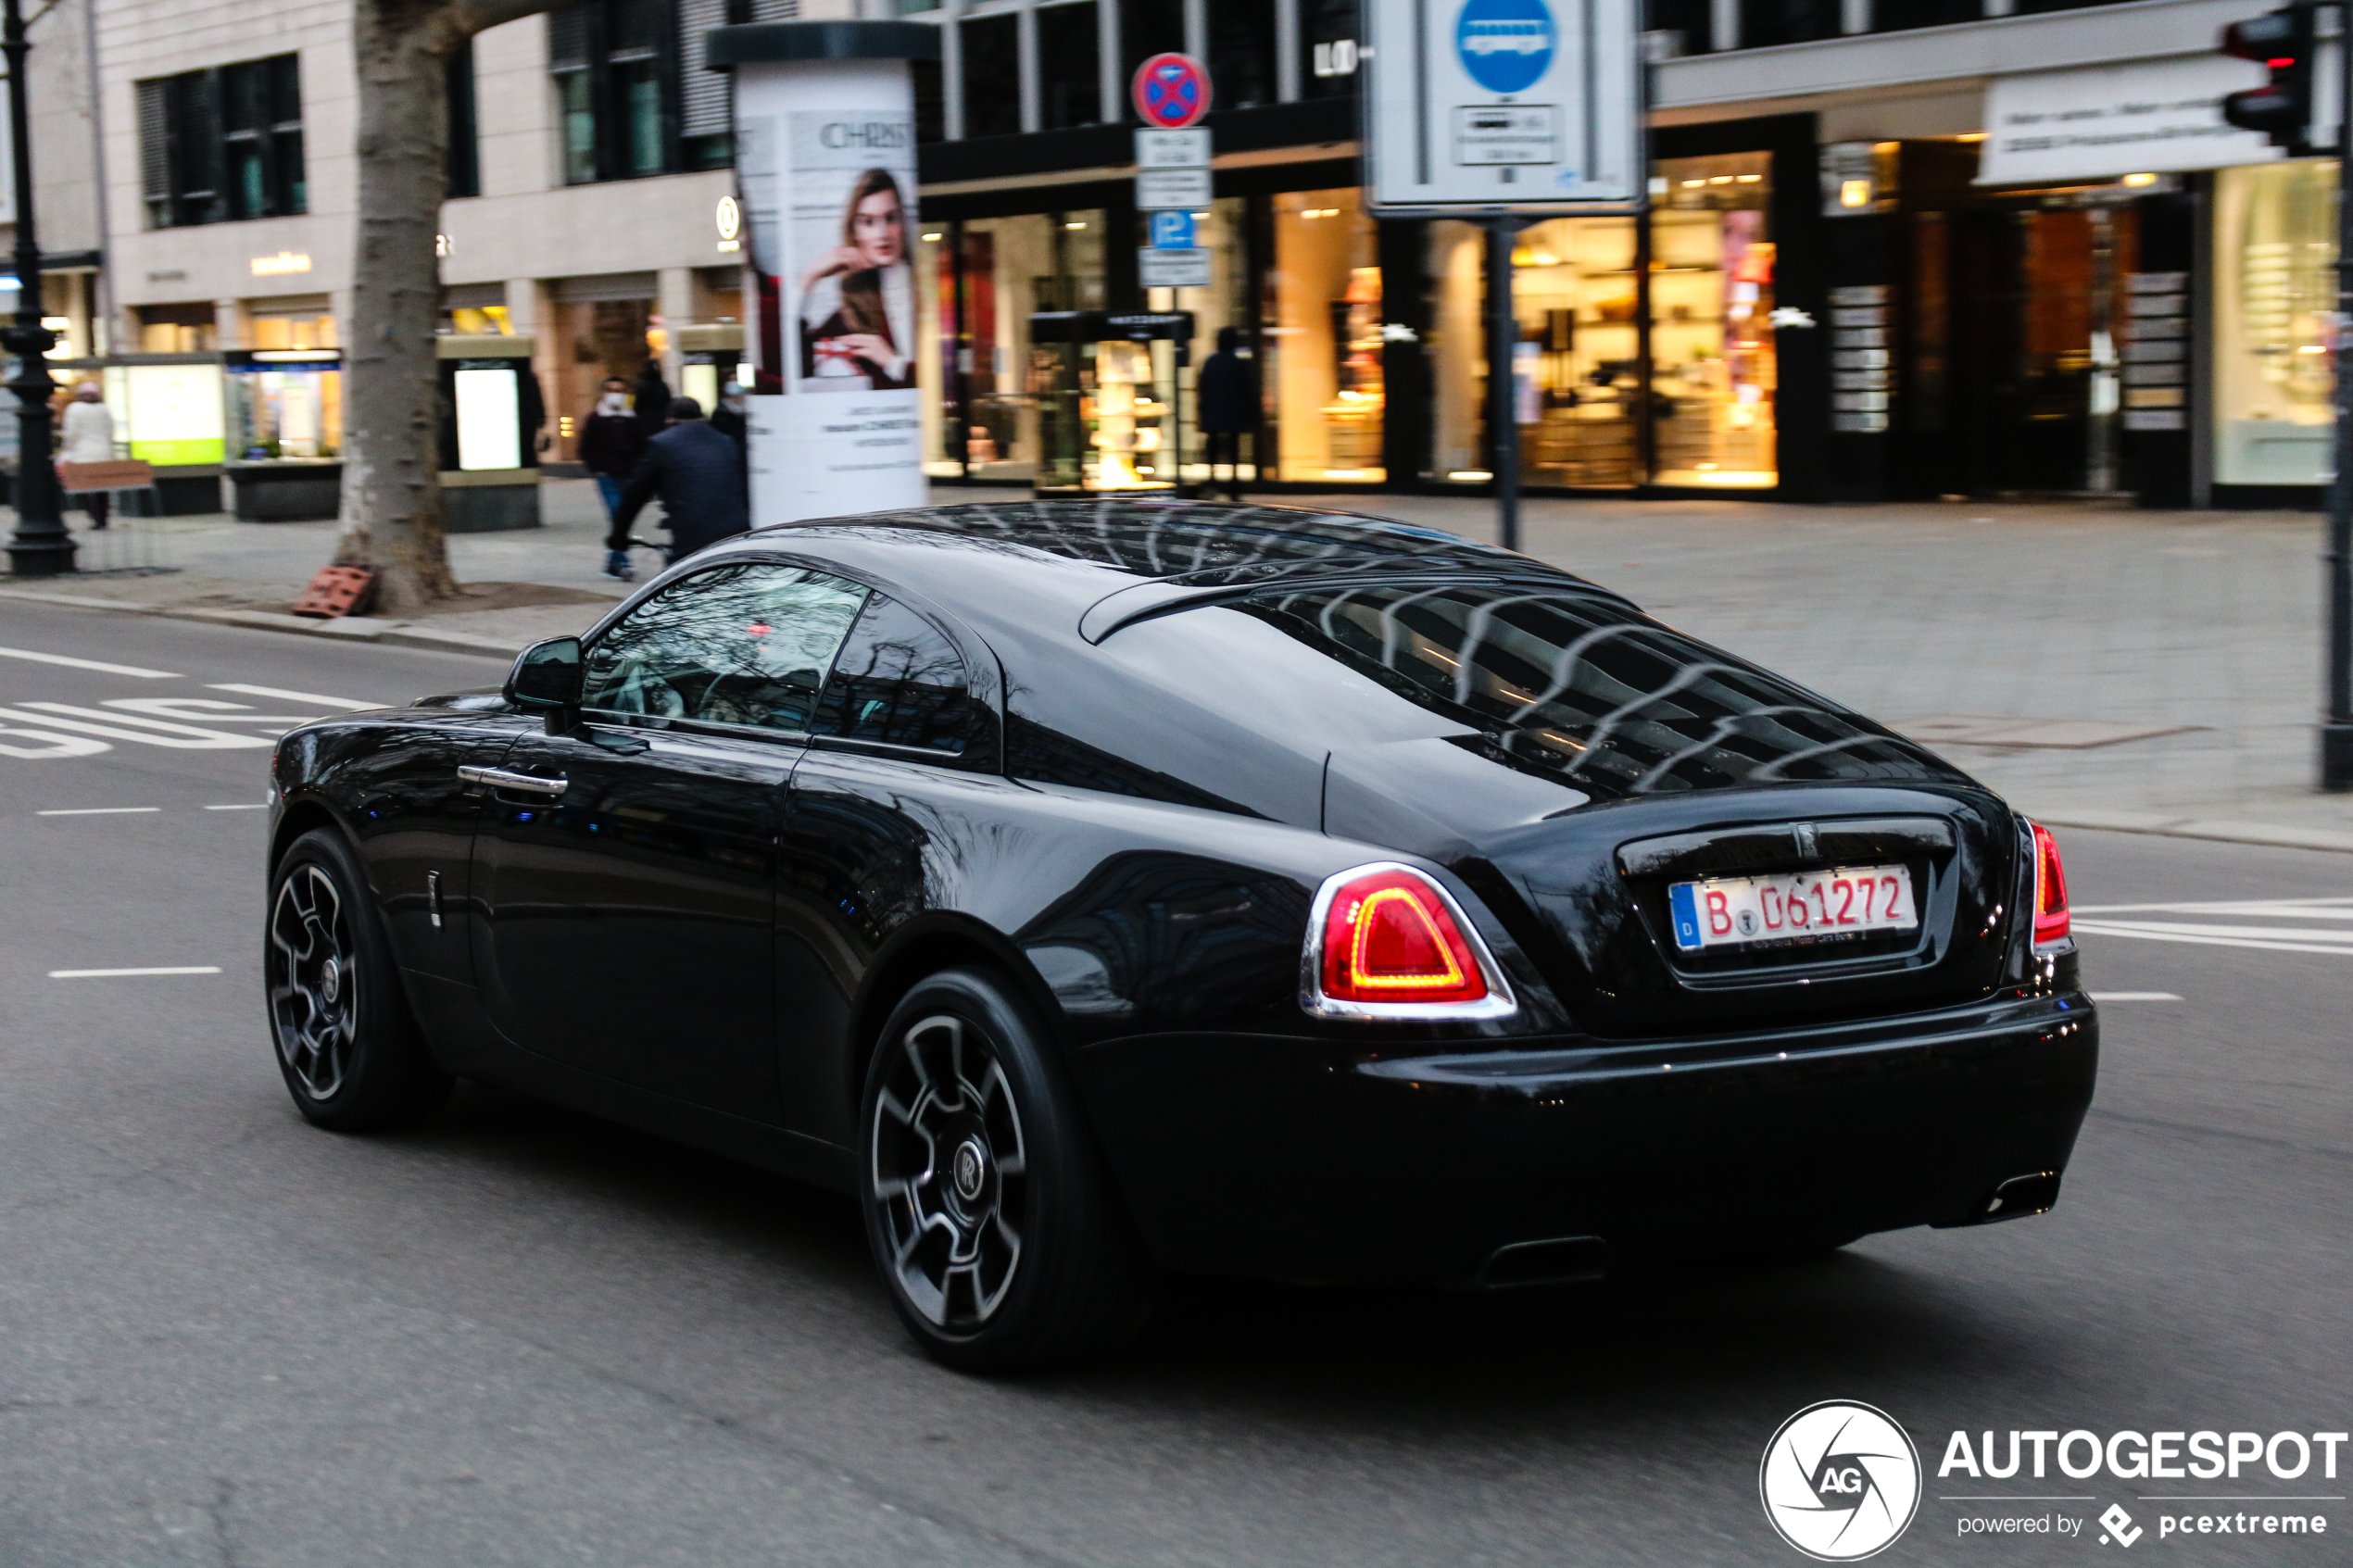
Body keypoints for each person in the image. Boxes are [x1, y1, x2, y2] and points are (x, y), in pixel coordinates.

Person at [605, 396, 749, 577]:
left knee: (674, 593)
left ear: (669, 420)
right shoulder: (726, 442)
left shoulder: (660, 445)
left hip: (692, 540)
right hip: (737, 536)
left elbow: (634, 497)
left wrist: (618, 537)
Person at [798, 169, 914, 390]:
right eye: (868, 222)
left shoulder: (924, 288)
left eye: (891, 218)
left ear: (903, 222)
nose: (882, 233)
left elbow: (944, 376)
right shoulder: (848, 312)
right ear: (855, 231)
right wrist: (809, 278)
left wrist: (893, 363)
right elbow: (789, 367)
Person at [1195, 326, 1257, 502]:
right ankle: (1233, 488)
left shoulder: (1210, 362)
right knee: (1233, 452)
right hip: (1232, 413)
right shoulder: (1237, 363)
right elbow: (1245, 389)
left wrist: (1203, 411)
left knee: (1213, 450)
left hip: (1213, 412)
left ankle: (1212, 483)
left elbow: (1203, 388)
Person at [577, 378, 642, 520]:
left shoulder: (632, 417)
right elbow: (586, 445)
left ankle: (620, 536)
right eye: (611, 390)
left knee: (627, 508)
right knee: (616, 507)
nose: (616, 394)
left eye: (619, 391)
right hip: (606, 472)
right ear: (603, 393)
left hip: (628, 471)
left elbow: (640, 443)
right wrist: (597, 468)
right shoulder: (595, 417)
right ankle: (619, 536)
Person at [59, 382, 118, 530]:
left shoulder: (74, 409)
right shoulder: (104, 409)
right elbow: (111, 430)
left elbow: (71, 433)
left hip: (83, 453)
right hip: (104, 452)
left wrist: (67, 449)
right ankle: (103, 518)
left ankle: (94, 517)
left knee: (85, 488)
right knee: (102, 488)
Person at [629, 361, 672, 447]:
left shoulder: (639, 386)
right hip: (660, 423)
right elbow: (668, 403)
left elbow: (634, 405)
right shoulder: (663, 386)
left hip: (643, 423)